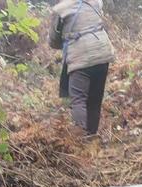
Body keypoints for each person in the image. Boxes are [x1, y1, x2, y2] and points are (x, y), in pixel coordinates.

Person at [49, 0, 115, 136]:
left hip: (80, 57)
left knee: (78, 99)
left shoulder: (60, 9)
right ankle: (92, 135)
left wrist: (69, 38)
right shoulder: (95, 2)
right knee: (95, 98)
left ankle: (81, 138)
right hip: (102, 52)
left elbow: (53, 41)